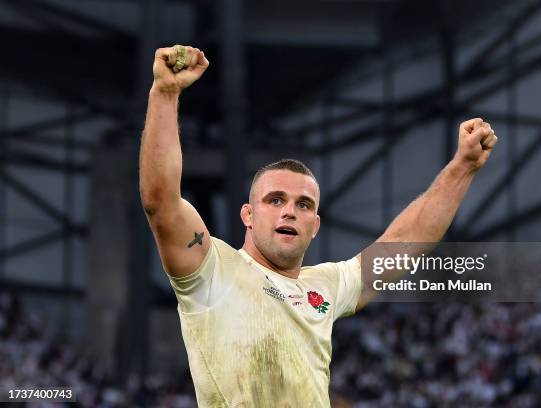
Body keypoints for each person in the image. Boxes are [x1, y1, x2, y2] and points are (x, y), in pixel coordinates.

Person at [139, 45, 498, 407]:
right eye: (275, 200)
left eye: (304, 205)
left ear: (315, 226)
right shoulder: (212, 270)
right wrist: (165, 94)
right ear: (248, 215)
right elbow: (161, 202)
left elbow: (405, 241)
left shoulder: (326, 285)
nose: (290, 211)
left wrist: (462, 167)